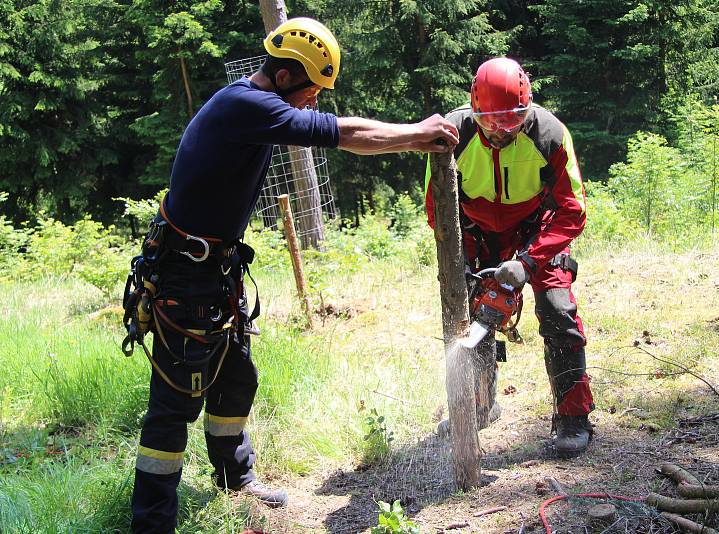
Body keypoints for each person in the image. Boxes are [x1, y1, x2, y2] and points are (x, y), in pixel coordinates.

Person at [124, 17, 458, 533]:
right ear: (284, 78)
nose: (314, 102)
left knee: (236, 378)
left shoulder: (252, 107)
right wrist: (418, 135)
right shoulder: (246, 106)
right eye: (312, 90)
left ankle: (236, 478)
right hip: (185, 278)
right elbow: (349, 134)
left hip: (213, 270)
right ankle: (151, 524)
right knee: (173, 404)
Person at [424, 57, 593, 458]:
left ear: (527, 107)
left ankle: (573, 417)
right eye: (491, 121)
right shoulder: (453, 135)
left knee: (558, 310)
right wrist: (465, 263)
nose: (500, 130)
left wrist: (528, 261)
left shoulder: (550, 134)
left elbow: (572, 210)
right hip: (478, 235)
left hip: (538, 230)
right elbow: (439, 210)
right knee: (476, 318)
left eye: (512, 119)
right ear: (474, 109)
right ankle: (481, 406)